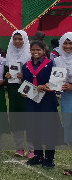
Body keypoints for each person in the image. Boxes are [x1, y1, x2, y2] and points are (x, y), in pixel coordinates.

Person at [21, 41, 61, 168]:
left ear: (44, 51)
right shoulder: (26, 66)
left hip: (47, 101)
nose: (35, 52)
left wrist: (45, 86)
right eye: (33, 50)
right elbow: (24, 82)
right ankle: (38, 156)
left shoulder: (51, 64)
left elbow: (56, 82)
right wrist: (24, 92)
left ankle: (49, 158)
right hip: (32, 101)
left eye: (38, 50)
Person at [4, 30, 34, 158]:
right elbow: (5, 73)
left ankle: (33, 149)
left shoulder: (30, 55)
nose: (17, 41)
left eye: (20, 39)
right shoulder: (9, 54)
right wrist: (7, 76)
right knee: (16, 116)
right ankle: (19, 147)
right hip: (13, 89)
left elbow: (37, 73)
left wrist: (25, 75)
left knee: (29, 116)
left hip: (27, 88)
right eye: (15, 39)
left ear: (25, 40)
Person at [54, 33, 72, 176]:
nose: (67, 46)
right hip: (66, 99)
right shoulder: (58, 60)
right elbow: (54, 79)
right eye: (65, 43)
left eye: (70, 43)